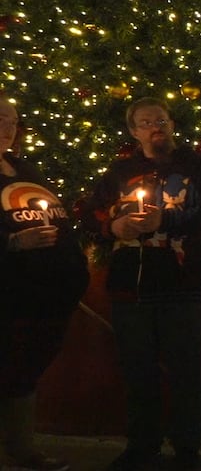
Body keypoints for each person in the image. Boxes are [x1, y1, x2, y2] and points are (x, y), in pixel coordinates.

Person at [81, 97, 201, 471]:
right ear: (133, 131)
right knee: (137, 370)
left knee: (184, 370)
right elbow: (90, 213)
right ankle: (142, 445)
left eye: (160, 119)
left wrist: (167, 221)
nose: (155, 127)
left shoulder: (197, 168)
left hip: (181, 285)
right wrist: (112, 227)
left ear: (172, 124)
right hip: (131, 287)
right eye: (145, 122)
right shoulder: (119, 172)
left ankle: (187, 446)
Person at [0, 100, 89, 471]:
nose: (8, 125)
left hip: (48, 300)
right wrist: (13, 244)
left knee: (24, 375)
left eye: (13, 119)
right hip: (10, 298)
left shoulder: (24, 169)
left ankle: (22, 449)